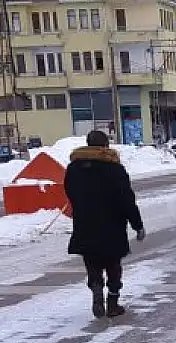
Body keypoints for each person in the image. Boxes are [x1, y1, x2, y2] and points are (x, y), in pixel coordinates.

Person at [65, 130, 146, 318]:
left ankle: (96, 288)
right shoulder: (115, 169)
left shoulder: (73, 168)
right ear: (105, 146)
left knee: (92, 262)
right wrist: (137, 225)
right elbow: (127, 200)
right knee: (113, 265)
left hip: (85, 225)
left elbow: (70, 193)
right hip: (112, 227)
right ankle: (112, 303)